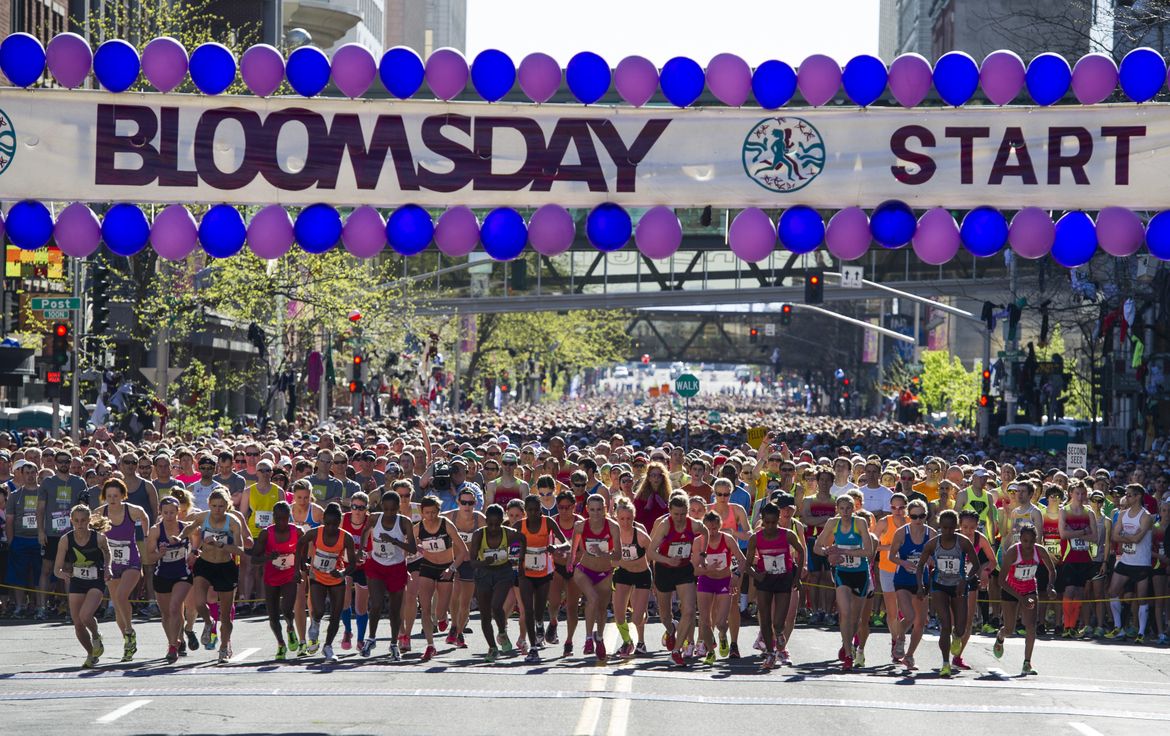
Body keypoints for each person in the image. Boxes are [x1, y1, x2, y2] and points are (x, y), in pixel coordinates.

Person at [915, 509, 979, 677]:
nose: (948, 531)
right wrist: (921, 586)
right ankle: (945, 663)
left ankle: (957, 637)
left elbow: (976, 565)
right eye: (944, 528)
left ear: (956, 527)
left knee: (960, 627)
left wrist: (966, 579)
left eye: (951, 528)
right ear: (940, 527)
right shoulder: (933, 544)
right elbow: (920, 565)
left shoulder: (963, 542)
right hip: (939, 585)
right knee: (945, 625)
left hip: (958, 586)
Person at [815, 494, 874, 671]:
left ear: (854, 508)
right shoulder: (833, 523)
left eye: (849, 508)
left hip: (861, 574)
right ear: (837, 509)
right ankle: (848, 655)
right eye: (842, 509)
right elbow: (817, 548)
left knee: (855, 619)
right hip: (842, 573)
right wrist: (829, 553)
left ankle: (848, 642)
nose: (846, 512)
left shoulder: (860, 523)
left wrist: (845, 551)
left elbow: (868, 552)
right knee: (845, 613)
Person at [186, 489, 246, 663]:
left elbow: (240, 550)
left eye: (221, 506)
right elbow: (187, 526)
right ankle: (208, 621)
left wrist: (222, 545)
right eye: (214, 506)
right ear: (209, 505)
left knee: (226, 615)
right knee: (199, 602)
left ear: (227, 506)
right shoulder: (203, 517)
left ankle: (224, 647)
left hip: (225, 566)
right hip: (205, 564)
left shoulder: (233, 521)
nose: (217, 509)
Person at [94, 478, 151, 662]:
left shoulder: (131, 510)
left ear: (123, 495)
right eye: (109, 496)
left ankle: (129, 631)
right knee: (118, 605)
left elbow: (144, 516)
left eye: (116, 496)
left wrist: (147, 534)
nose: (112, 499)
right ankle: (128, 640)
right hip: (111, 562)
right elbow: (87, 527)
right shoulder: (100, 512)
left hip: (131, 560)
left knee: (120, 596)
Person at [648, 493, 707, 666]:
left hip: (683, 569)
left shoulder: (694, 525)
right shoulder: (665, 526)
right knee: (665, 615)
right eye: (676, 514)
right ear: (670, 512)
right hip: (664, 570)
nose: (679, 518)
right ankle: (671, 628)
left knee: (689, 610)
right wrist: (667, 560)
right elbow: (651, 552)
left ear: (687, 512)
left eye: (683, 514)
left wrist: (702, 554)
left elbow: (705, 532)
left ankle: (676, 651)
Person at [360, 486, 417, 661]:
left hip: (396, 567)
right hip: (376, 564)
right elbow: (364, 532)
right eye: (386, 509)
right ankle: (371, 638)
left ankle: (394, 644)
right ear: (381, 507)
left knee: (394, 609)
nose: (390, 512)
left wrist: (394, 541)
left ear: (399, 507)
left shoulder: (404, 522)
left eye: (393, 509)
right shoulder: (374, 518)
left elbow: (413, 548)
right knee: (376, 603)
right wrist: (361, 549)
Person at [746, 499, 804, 668]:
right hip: (765, 580)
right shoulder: (755, 538)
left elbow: (801, 552)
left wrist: (797, 577)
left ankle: (778, 633)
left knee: (778, 622)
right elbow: (747, 565)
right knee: (765, 619)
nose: (770, 526)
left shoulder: (787, 534)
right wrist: (757, 575)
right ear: (762, 520)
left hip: (784, 578)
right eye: (767, 522)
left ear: (779, 519)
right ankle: (770, 653)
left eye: (773, 522)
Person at [296, 502, 357, 662]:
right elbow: (300, 544)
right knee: (319, 610)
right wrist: (300, 564)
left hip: (336, 578)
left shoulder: (346, 538)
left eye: (334, 524)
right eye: (328, 523)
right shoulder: (315, 533)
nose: (330, 527)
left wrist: (343, 573)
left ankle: (328, 647)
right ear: (323, 521)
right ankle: (315, 623)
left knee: (336, 616)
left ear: (339, 523)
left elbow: (353, 564)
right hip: (317, 576)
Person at [53, 504, 111, 668]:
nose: (80, 524)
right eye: (76, 521)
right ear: (71, 521)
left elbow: (107, 553)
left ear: (89, 520)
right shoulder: (66, 539)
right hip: (77, 581)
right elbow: (57, 568)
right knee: (77, 622)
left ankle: (96, 634)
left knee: (86, 616)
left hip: (95, 580)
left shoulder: (98, 538)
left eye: (83, 520)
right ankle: (91, 654)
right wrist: (63, 574)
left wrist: (107, 567)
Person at [995, 524, 1057, 675]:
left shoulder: (1040, 550)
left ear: (1036, 539)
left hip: (1029, 589)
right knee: (1010, 629)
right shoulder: (1013, 552)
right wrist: (1020, 598)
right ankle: (1000, 636)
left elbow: (1052, 570)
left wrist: (1050, 586)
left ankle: (1027, 663)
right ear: (1020, 539)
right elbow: (1001, 581)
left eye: (1031, 541)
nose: (1028, 545)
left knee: (1031, 626)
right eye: (1025, 541)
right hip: (1011, 590)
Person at [413, 495, 468, 661]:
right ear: (422, 512)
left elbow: (464, 551)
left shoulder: (446, 524)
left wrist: (451, 569)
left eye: (433, 512)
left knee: (440, 612)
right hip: (428, 567)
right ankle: (430, 646)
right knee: (425, 608)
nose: (430, 516)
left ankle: (444, 618)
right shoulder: (418, 527)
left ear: (438, 511)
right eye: (427, 512)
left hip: (445, 569)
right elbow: (407, 542)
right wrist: (417, 548)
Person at [36, 450, 89, 621]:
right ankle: (41, 608)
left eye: (67, 461)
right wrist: (41, 531)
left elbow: (84, 508)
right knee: (46, 569)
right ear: (55, 463)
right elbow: (41, 508)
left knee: (69, 570)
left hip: (72, 534)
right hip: (51, 534)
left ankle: (70, 609)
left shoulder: (79, 482)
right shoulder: (47, 482)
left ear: (71, 462)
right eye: (60, 461)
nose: (64, 464)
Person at [470, 503, 526, 663]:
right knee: (485, 614)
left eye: (497, 523)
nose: (494, 527)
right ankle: (493, 647)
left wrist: (519, 561)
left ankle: (502, 631)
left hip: (503, 572)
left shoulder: (509, 533)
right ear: (486, 521)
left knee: (496, 606)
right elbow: (472, 562)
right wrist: (484, 563)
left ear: (503, 520)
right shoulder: (479, 535)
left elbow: (523, 539)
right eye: (490, 523)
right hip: (484, 573)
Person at [517, 493, 567, 662]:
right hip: (525, 572)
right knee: (528, 609)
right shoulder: (519, 525)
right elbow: (506, 540)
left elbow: (566, 542)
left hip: (544, 571)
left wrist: (556, 546)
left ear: (540, 510)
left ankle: (540, 625)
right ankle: (533, 647)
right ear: (525, 511)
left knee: (539, 609)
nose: (532, 513)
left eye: (536, 510)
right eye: (529, 510)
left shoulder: (548, 522)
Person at [248, 501, 302, 660]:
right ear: (273, 517)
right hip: (271, 578)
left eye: (285, 518)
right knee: (273, 615)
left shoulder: (297, 531)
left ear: (289, 517)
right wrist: (267, 557)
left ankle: (291, 628)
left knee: (286, 609)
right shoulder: (267, 533)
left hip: (289, 576)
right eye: (278, 518)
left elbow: (303, 550)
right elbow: (254, 560)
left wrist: (299, 568)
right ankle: (280, 644)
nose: (282, 522)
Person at [572, 493, 621, 663]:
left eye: (599, 510)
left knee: (601, 608)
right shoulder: (580, 526)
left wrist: (604, 553)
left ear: (605, 510)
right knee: (592, 599)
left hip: (605, 572)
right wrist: (570, 564)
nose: (596, 513)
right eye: (592, 510)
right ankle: (587, 639)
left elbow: (619, 555)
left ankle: (599, 638)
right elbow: (574, 549)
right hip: (584, 570)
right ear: (587, 510)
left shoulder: (613, 527)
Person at [143, 496, 193, 663]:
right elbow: (149, 558)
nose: (169, 516)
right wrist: (160, 554)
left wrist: (194, 555)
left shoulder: (185, 528)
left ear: (179, 511)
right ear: (161, 512)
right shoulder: (156, 530)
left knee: (175, 607)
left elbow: (197, 547)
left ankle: (173, 646)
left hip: (182, 573)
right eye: (166, 513)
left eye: (172, 512)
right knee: (166, 614)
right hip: (162, 574)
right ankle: (174, 640)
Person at [695, 509, 747, 666]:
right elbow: (694, 569)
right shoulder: (698, 542)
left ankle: (723, 635)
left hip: (724, 581)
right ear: (703, 527)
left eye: (715, 528)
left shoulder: (728, 539)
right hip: (705, 581)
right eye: (708, 529)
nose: (712, 532)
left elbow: (742, 560)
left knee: (720, 622)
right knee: (704, 620)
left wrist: (736, 576)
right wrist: (707, 569)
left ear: (720, 526)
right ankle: (711, 652)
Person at [1105, 483, 1155, 642]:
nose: (1125, 497)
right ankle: (1118, 628)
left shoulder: (1146, 516)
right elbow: (1114, 536)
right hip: (1125, 561)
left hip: (1141, 563)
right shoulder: (1122, 514)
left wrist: (1125, 536)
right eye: (1126, 494)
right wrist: (1129, 536)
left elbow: (1138, 539)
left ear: (1138, 496)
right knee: (1112, 591)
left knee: (1141, 598)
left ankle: (1141, 633)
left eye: (1129, 495)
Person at [888, 497, 932, 672]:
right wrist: (904, 563)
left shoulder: (931, 533)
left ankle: (910, 655)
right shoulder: (901, 532)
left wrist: (931, 559)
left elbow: (938, 555)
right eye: (914, 517)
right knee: (910, 615)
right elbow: (891, 556)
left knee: (920, 621)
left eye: (922, 516)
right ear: (908, 516)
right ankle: (900, 638)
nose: (918, 520)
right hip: (903, 580)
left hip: (922, 581)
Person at [612, 496, 653, 657]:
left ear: (633, 518)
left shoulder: (641, 535)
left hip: (641, 575)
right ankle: (627, 642)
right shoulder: (613, 533)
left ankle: (641, 640)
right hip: (623, 574)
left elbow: (652, 553)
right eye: (621, 518)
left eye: (629, 518)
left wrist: (650, 571)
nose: (625, 522)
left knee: (636, 618)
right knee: (619, 614)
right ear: (616, 517)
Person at [444, 487, 484, 648]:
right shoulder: (449, 517)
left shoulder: (479, 518)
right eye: (464, 502)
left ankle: (459, 632)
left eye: (471, 503)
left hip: (470, 562)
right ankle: (454, 626)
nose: (467, 506)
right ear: (458, 502)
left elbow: (489, 537)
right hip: (453, 560)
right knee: (454, 596)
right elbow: (430, 524)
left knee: (465, 601)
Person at [1058, 482, 1098, 639]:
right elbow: (1063, 534)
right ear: (1070, 494)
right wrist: (1082, 531)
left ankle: (1073, 625)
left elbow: (1094, 537)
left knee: (1080, 592)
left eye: (1083, 494)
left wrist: (1072, 532)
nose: (1080, 497)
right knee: (1069, 591)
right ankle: (1066, 625)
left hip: (1084, 557)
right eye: (1077, 493)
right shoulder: (1064, 511)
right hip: (1069, 557)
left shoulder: (1089, 513)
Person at [873, 491, 909, 665]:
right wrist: (892, 547)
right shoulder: (884, 522)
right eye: (894, 507)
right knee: (892, 610)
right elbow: (873, 545)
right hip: (887, 569)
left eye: (901, 507)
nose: (898, 510)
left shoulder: (912, 522)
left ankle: (900, 638)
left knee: (908, 610)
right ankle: (896, 641)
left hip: (906, 569)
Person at [800, 467, 838, 624]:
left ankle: (828, 612)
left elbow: (836, 523)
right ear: (817, 481)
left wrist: (821, 520)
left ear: (831, 482)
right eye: (821, 479)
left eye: (827, 480)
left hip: (831, 542)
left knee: (829, 578)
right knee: (814, 576)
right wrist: (827, 519)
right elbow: (806, 519)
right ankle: (815, 611)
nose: (824, 483)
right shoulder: (808, 500)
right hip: (812, 541)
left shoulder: (836, 501)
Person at [547, 489, 582, 654]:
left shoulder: (580, 523)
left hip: (575, 569)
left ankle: (569, 641)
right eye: (561, 507)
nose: (564, 510)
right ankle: (553, 621)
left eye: (568, 507)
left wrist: (571, 556)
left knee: (572, 607)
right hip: (556, 567)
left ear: (574, 507)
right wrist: (555, 553)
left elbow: (585, 551)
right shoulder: (552, 522)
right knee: (553, 602)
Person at [339, 492, 371, 652]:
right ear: (350, 506)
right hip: (345, 564)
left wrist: (365, 554)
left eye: (361, 508)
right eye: (354, 507)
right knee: (343, 599)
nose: (357, 511)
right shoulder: (343, 519)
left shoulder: (369, 522)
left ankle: (360, 639)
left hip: (364, 567)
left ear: (366, 509)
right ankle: (347, 631)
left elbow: (373, 548)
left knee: (361, 605)